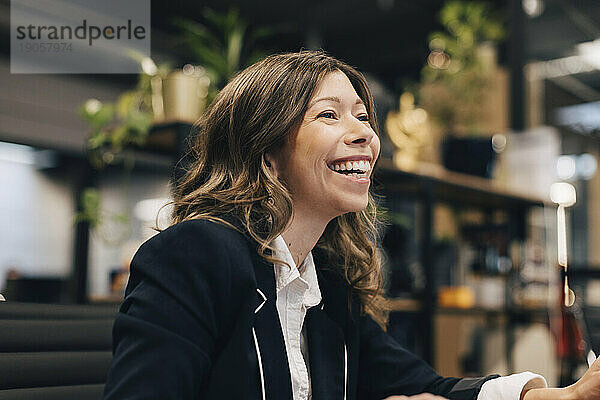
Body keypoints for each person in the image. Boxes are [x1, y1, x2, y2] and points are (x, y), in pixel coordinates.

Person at [103, 50, 600, 400]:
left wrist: (558, 397)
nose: (364, 132)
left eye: (363, 117)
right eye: (329, 115)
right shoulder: (194, 254)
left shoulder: (328, 283)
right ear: (267, 154)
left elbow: (417, 386)